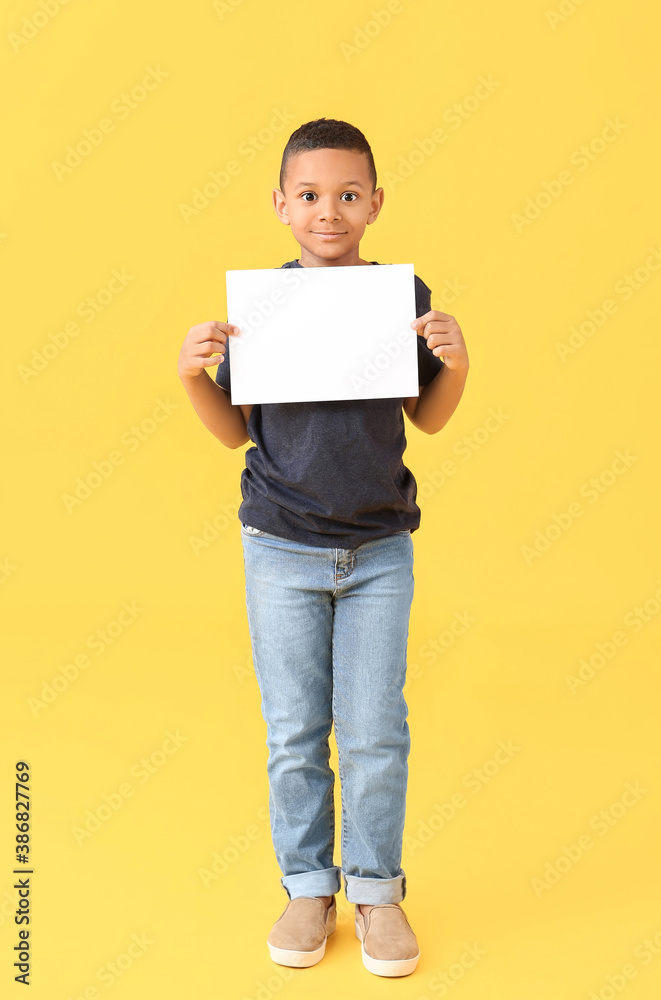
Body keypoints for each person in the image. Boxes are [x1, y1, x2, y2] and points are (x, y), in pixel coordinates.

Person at [177, 118, 470, 978]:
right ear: (280, 205)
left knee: (376, 730)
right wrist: (191, 373)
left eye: (347, 195)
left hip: (378, 549)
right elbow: (234, 435)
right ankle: (309, 885)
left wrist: (455, 361)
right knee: (295, 730)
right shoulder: (260, 308)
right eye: (309, 195)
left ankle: (376, 893)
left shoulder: (400, 297)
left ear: (375, 204)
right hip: (280, 550)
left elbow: (430, 417)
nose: (328, 211)